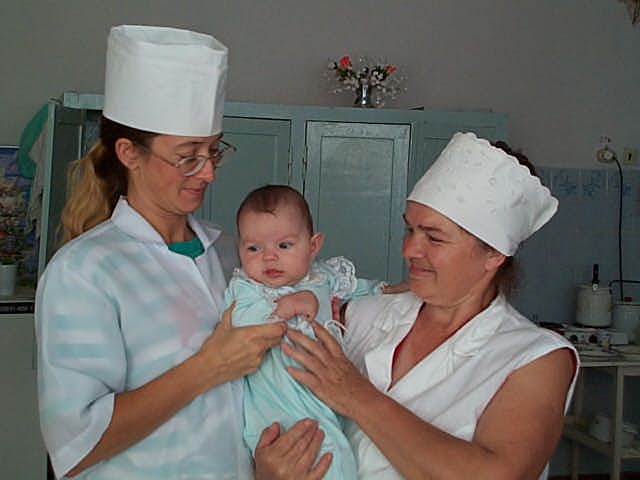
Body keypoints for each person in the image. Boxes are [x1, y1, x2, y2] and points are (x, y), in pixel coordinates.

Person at [35, 25, 304, 479]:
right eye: (187, 156)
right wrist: (208, 366)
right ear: (129, 153)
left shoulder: (232, 257)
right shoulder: (85, 272)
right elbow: (76, 443)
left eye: (214, 152)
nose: (208, 173)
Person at [270, 132, 580, 479]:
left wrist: (355, 394)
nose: (409, 250)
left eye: (434, 237)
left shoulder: (536, 358)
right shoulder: (361, 316)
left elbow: (499, 474)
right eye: (410, 230)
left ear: (493, 253)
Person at [225, 184, 389, 480]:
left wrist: (399, 291)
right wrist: (291, 306)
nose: (269, 257)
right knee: (323, 463)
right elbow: (242, 326)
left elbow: (370, 290)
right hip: (278, 410)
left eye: (284, 246)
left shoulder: (325, 277)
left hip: (325, 402)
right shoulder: (247, 289)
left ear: (313, 246)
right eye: (253, 248)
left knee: (340, 458)